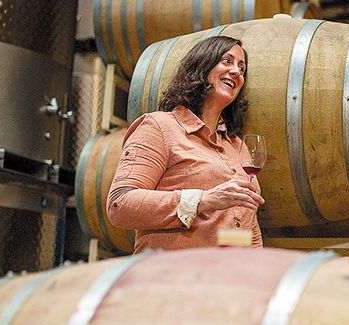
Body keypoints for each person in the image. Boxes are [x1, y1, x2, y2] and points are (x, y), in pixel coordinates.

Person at [107, 36, 264, 252]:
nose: (236, 71)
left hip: (227, 278)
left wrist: (256, 268)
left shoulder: (237, 146)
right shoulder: (160, 127)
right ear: (203, 65)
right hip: (173, 277)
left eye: (241, 68)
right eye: (227, 61)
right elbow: (120, 205)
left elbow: (246, 226)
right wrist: (205, 199)